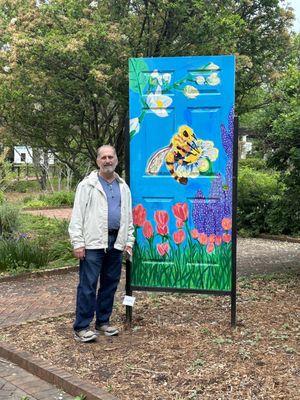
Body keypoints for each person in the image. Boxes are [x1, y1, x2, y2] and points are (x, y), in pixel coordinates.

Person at [68, 145, 134, 342]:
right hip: (93, 243)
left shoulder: (123, 186)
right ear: (98, 161)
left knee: (109, 285)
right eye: (103, 157)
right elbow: (77, 215)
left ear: (116, 160)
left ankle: (103, 322)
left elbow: (128, 217)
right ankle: (81, 327)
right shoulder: (87, 185)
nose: (107, 160)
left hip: (115, 242)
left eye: (110, 157)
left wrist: (128, 240)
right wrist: (78, 243)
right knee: (87, 285)